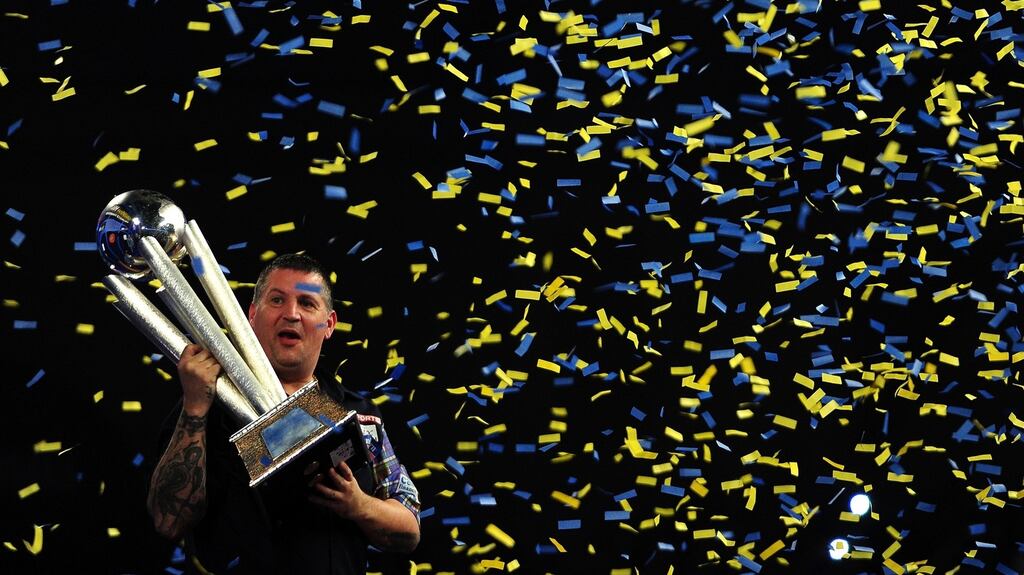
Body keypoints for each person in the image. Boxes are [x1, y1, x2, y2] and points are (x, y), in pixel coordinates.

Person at [147, 253, 420, 574]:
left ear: (328, 324)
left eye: (307, 303)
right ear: (251, 313)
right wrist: (194, 407)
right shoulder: (207, 401)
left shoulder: (357, 414)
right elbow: (168, 522)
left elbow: (410, 527)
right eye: (277, 300)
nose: (291, 314)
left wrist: (358, 505)